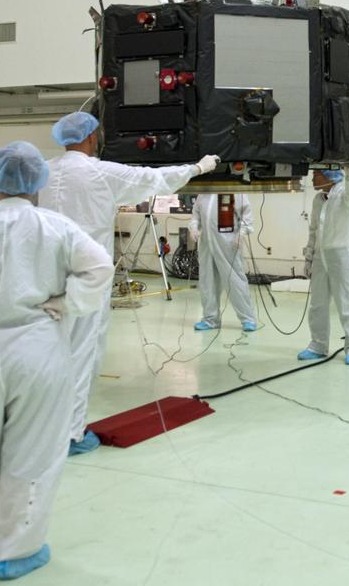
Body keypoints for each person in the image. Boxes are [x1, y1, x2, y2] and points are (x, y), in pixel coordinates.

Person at [0, 141, 113, 580]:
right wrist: (68, 300)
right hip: (36, 350)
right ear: (39, 180)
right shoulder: (55, 227)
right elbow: (99, 267)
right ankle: (18, 550)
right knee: (32, 451)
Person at [38, 111, 218, 455]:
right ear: (92, 137)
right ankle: (71, 435)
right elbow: (154, 179)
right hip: (85, 278)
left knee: (50, 352)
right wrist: (198, 168)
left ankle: (43, 425)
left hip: (47, 276)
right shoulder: (99, 171)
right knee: (82, 353)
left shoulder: (44, 171)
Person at [299, 168, 349, 365]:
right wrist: (309, 257)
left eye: (316, 174)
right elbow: (313, 229)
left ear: (329, 176)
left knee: (348, 302)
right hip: (321, 255)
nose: (312, 178)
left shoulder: (344, 194)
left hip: (341, 255)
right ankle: (318, 345)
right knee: (317, 303)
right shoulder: (319, 199)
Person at [191, 193, 260, 332]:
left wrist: (241, 233)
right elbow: (195, 215)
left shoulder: (234, 191)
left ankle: (248, 319)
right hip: (206, 244)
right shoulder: (203, 194)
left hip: (228, 243)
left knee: (235, 281)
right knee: (207, 281)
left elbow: (246, 214)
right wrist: (193, 227)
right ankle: (210, 319)